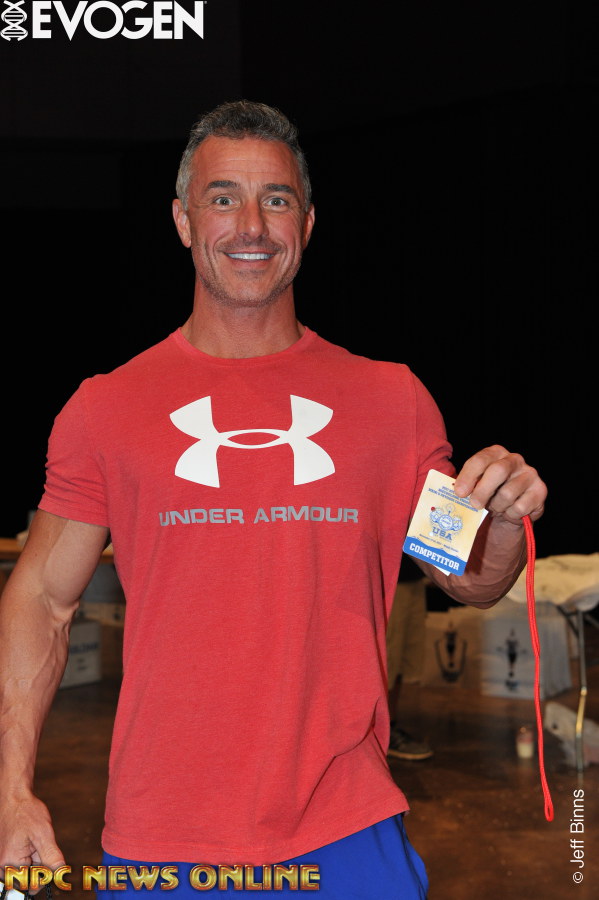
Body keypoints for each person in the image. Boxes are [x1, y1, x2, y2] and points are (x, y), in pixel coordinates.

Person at [0, 100, 547, 899]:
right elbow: (41, 600)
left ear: (308, 223)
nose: (251, 225)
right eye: (223, 198)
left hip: (346, 826)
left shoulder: (391, 401)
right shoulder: (106, 408)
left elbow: (464, 578)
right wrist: (10, 786)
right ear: (184, 220)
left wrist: (497, 526)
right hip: (164, 834)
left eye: (277, 199)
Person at [386, 560, 434, 761]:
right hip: (389, 575)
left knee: (401, 660)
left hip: (412, 573)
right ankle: (379, 733)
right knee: (387, 659)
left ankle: (389, 728)